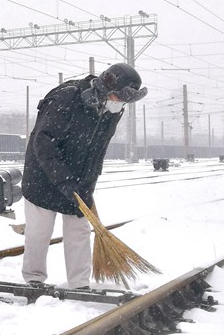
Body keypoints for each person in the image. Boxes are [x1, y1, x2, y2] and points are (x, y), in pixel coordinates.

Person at [21, 62, 147, 289]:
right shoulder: (66, 99)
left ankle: (79, 283)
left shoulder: (111, 111)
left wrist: (88, 185)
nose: (119, 105)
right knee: (39, 232)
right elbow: (44, 143)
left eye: (123, 102)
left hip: (78, 180)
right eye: (118, 99)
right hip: (43, 176)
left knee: (79, 231)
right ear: (104, 89)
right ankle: (34, 279)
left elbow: (98, 151)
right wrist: (63, 180)